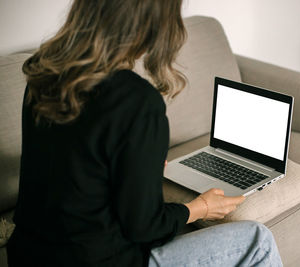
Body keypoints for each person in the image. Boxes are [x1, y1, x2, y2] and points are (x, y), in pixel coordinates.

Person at [6, 0, 283, 266]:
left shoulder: (45, 69)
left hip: (28, 254)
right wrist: (200, 208)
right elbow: (144, 228)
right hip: (95, 260)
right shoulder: (137, 101)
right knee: (258, 241)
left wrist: (135, 168)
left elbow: (73, 164)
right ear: (154, 25)